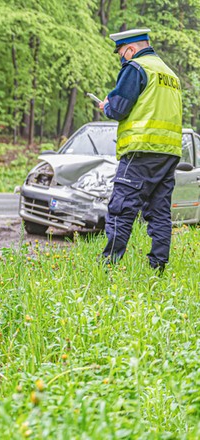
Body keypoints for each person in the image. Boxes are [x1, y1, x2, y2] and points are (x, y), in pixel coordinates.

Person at [98, 28, 182, 271]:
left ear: (131, 49)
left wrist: (106, 106)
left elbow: (118, 109)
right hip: (169, 153)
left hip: (141, 149)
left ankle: (108, 267)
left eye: (121, 53)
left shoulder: (136, 68)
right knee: (160, 212)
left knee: (121, 208)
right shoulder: (170, 75)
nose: (122, 58)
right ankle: (158, 269)